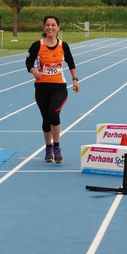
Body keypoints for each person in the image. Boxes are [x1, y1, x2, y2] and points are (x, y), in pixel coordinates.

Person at [25, 15, 79, 163]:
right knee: (46, 119)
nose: (50, 27)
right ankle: (48, 148)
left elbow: (71, 62)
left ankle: (56, 146)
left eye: (53, 25)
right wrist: (33, 70)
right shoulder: (37, 45)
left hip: (59, 87)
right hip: (42, 88)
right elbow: (28, 62)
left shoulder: (63, 45)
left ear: (58, 28)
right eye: (48, 25)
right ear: (44, 28)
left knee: (53, 115)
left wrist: (75, 79)